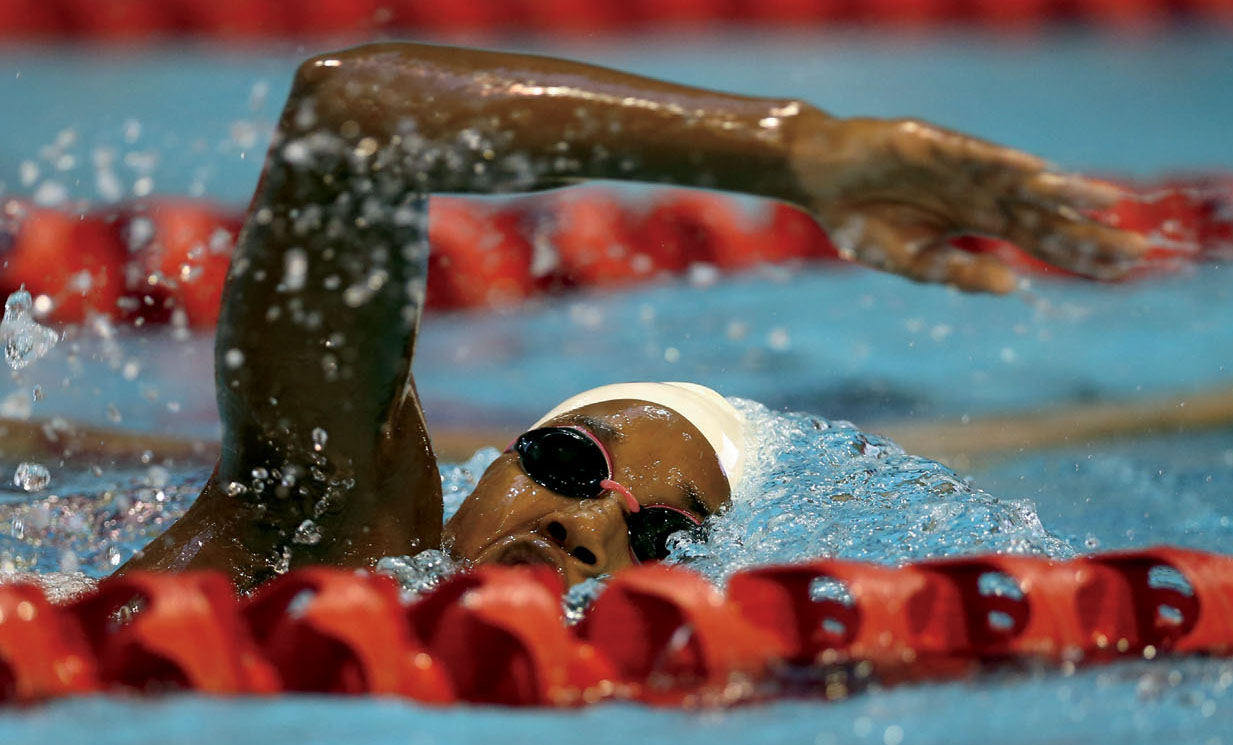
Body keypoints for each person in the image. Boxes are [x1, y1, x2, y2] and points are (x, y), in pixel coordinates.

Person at [117, 42, 1146, 590]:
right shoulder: (321, 533)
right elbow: (352, 115)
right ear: (493, 465)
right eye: (567, 461)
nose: (589, 520)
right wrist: (795, 150)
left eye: (660, 536)